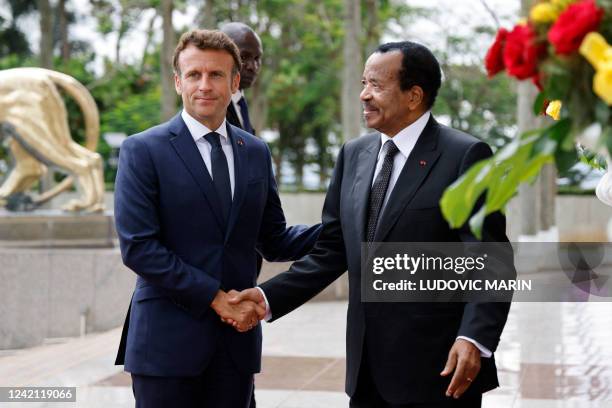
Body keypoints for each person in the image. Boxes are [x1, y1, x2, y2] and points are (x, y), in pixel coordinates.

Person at [230, 41, 513, 407]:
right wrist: (267, 298)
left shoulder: (467, 157)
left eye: (376, 85)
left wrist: (474, 338)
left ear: (414, 96)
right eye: (363, 83)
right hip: (367, 373)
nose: (364, 95)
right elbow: (332, 250)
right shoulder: (353, 154)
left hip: (440, 370)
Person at [113, 29, 320, 408]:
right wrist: (215, 298)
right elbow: (140, 248)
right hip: (165, 344)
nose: (204, 85)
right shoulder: (142, 150)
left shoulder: (255, 152)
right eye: (194, 75)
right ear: (178, 82)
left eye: (216, 75)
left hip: (235, 348)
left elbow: (273, 239)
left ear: (235, 81)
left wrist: (347, 223)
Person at [221, 22, 262, 135]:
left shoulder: (240, 102)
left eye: (257, 58)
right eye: (243, 57)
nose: (253, 67)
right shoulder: (213, 108)